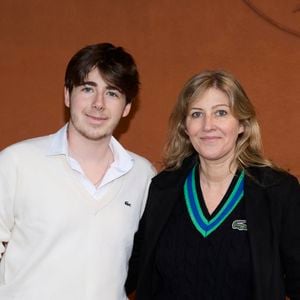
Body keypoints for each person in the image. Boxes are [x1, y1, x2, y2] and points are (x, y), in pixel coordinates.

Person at [125, 70, 300, 300]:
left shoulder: (278, 192)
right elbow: (127, 273)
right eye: (197, 114)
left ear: (242, 125)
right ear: (185, 128)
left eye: (221, 113)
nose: (208, 125)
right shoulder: (162, 189)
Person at [0, 43, 155, 300]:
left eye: (113, 93)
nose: (98, 104)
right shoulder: (17, 162)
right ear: (67, 95)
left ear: (127, 107)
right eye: (87, 88)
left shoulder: (143, 176)